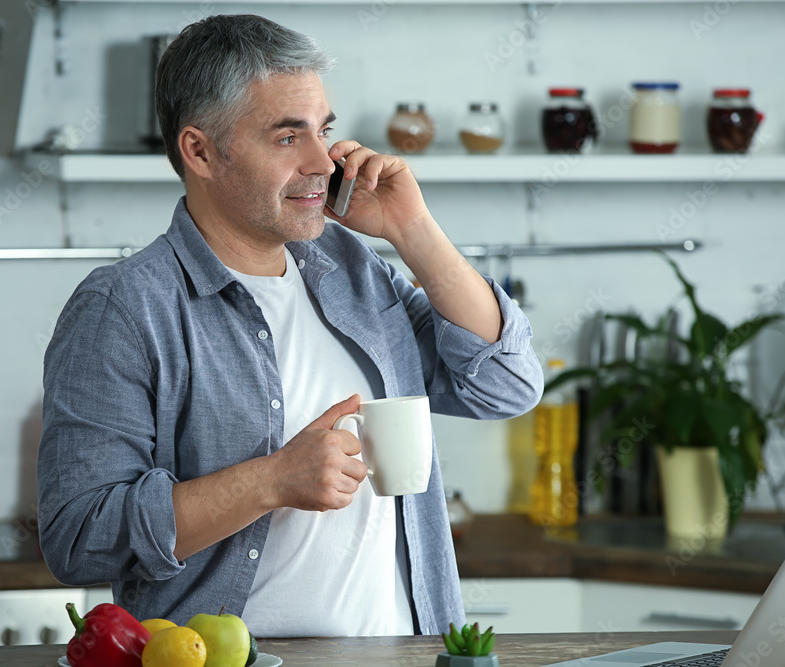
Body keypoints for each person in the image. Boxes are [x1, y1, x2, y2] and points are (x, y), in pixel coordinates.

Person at [37, 14, 542, 638]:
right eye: (286, 138)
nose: (322, 162)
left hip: (406, 651)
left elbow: (505, 386)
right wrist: (271, 481)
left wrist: (412, 231)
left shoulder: (351, 269)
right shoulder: (125, 308)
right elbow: (79, 537)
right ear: (199, 151)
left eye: (323, 131)